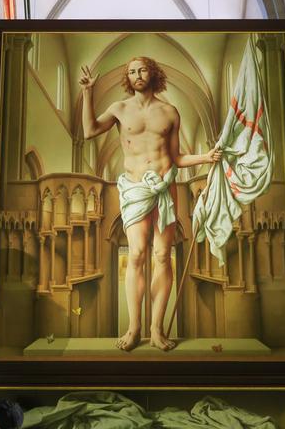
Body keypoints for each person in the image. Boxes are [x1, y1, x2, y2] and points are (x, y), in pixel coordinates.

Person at [80, 57, 221, 351]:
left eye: (142, 70)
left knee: (161, 255)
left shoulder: (169, 111)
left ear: (153, 73)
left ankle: (156, 329)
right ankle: (134, 328)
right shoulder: (119, 108)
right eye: (131, 71)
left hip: (164, 188)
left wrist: (206, 158)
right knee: (137, 254)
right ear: (127, 78)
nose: (137, 75)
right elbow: (90, 131)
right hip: (134, 189)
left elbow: (177, 158)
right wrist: (88, 93)